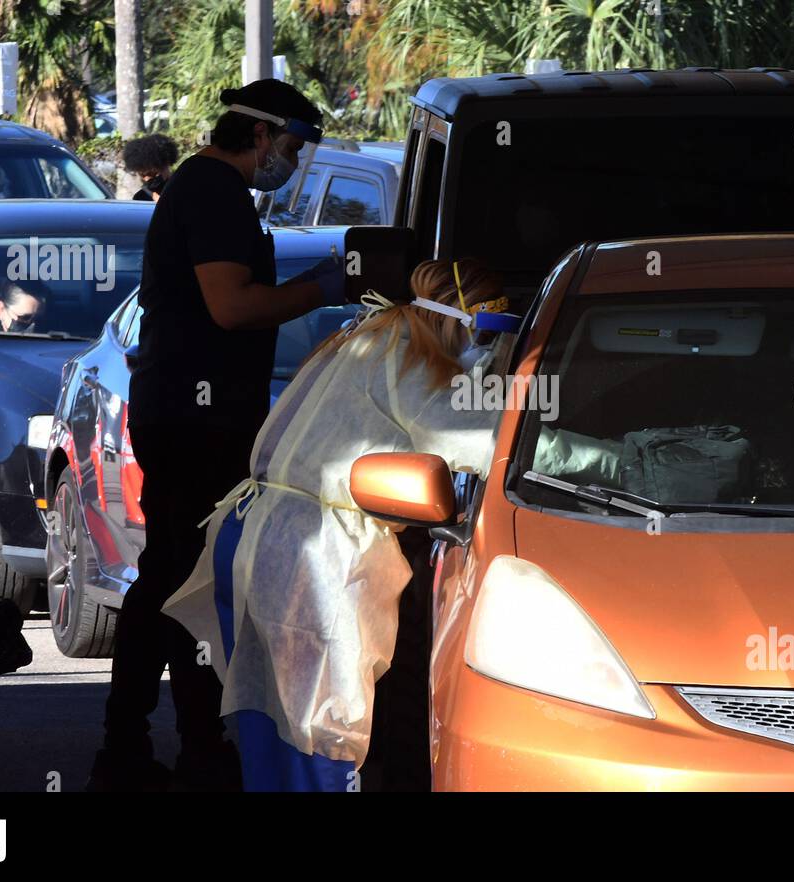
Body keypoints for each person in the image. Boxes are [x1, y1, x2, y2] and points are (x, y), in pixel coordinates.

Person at [161, 258, 511, 791]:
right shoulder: (412, 358)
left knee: (270, 730)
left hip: (254, 534)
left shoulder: (369, 334)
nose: (487, 350)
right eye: (488, 333)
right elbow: (481, 443)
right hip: (309, 559)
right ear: (461, 318)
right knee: (323, 732)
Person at [89, 78, 341, 792]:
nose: (291, 161)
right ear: (258, 134)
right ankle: (140, 744)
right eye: (290, 146)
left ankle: (185, 740)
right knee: (179, 578)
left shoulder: (204, 191)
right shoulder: (212, 194)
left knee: (189, 579)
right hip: (193, 419)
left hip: (193, 412)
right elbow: (232, 308)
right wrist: (329, 286)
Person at [123, 134, 180, 202]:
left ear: (166, 165)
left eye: (152, 174)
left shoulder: (184, 187)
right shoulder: (140, 198)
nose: (147, 179)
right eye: (142, 175)